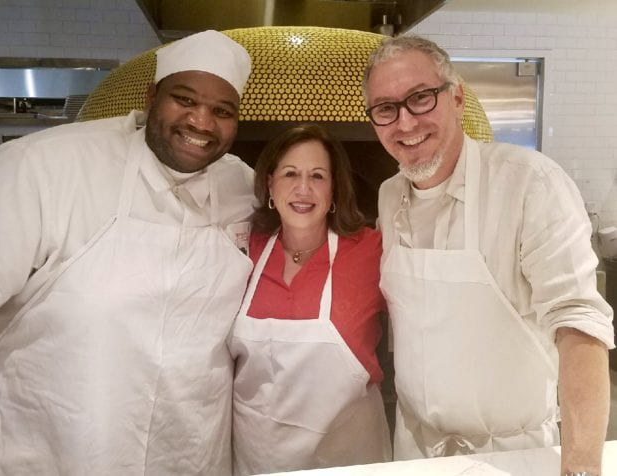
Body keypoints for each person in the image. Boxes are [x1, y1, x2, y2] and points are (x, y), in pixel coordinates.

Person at [0, 30, 256, 475]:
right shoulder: (40, 166)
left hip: (187, 451)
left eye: (221, 111)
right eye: (184, 100)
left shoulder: (243, 187)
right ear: (151, 96)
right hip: (54, 450)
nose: (201, 123)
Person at [363, 34, 614, 476]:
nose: (404, 123)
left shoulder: (528, 183)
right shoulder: (388, 196)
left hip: (513, 457)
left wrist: (581, 470)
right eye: (386, 109)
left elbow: (579, 327)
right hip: (416, 451)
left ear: (457, 97)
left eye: (420, 98)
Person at [229, 124, 392, 475]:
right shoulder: (245, 249)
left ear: (334, 190)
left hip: (347, 457)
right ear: (270, 184)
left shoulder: (370, 250)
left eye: (318, 176)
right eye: (290, 174)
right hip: (257, 456)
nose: (303, 188)